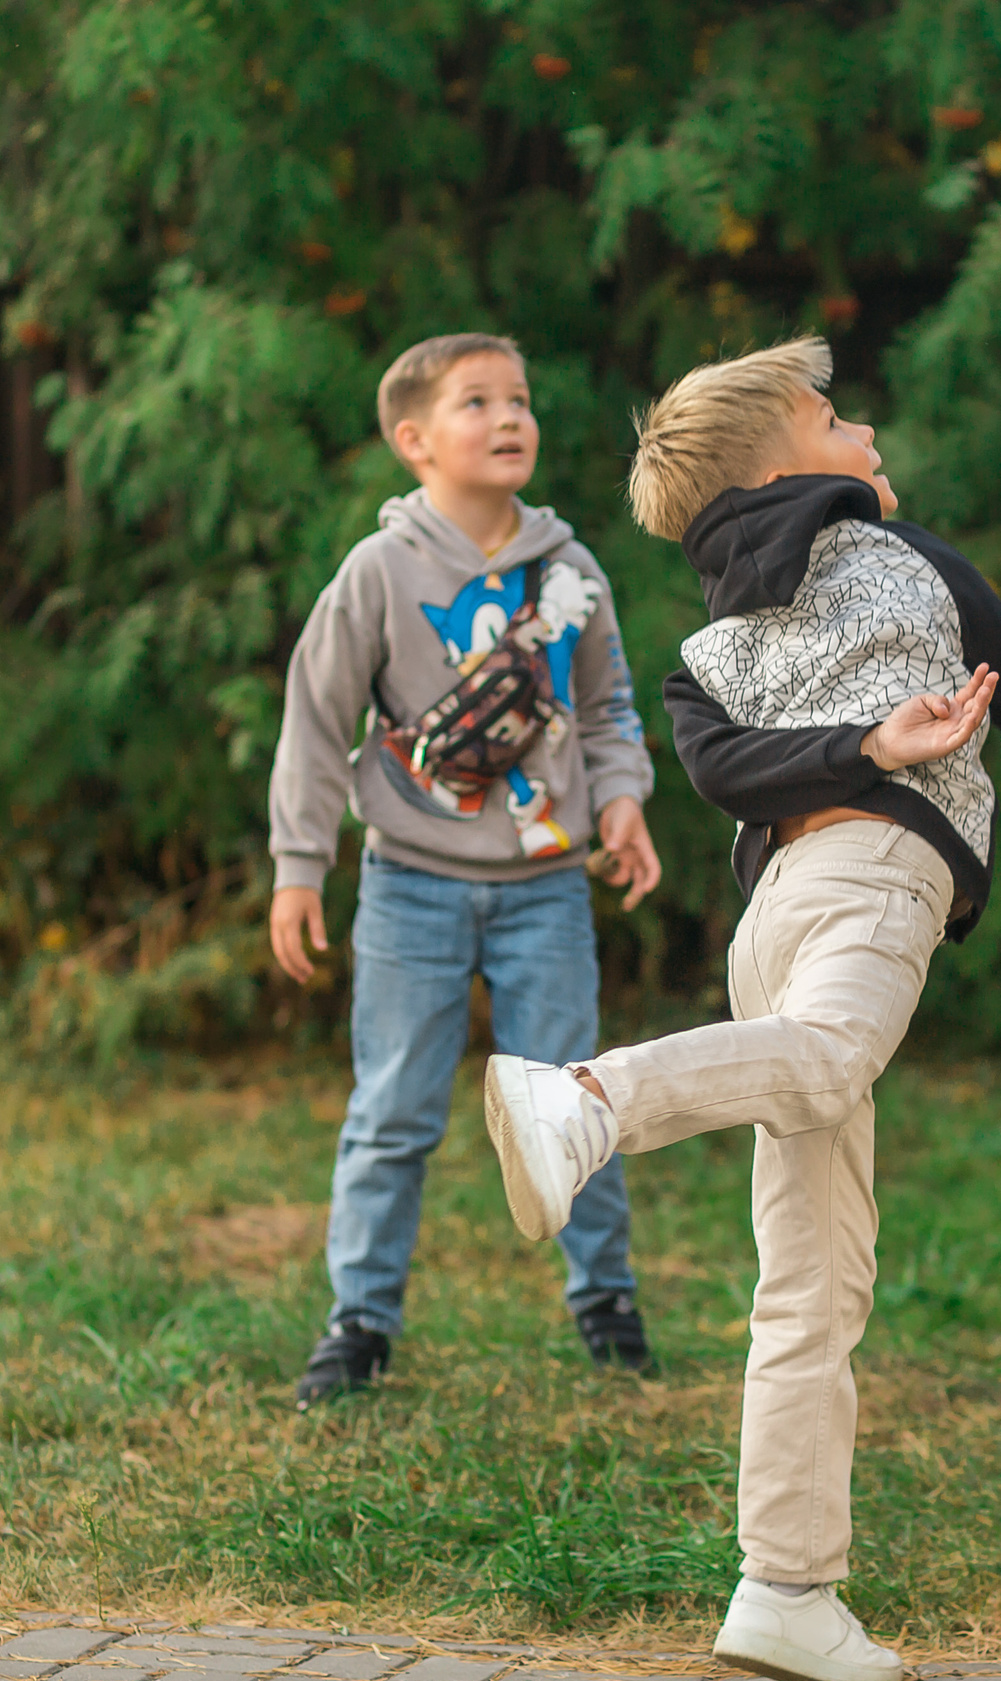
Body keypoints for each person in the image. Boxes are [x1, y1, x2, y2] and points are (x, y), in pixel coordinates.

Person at [480, 337, 1001, 1681]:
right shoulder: (918, 562)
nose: (865, 426)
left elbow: (722, 769)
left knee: (815, 1278)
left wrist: (849, 749)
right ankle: (588, 1100)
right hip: (869, 882)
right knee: (833, 1064)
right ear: (783, 463)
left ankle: (785, 1585)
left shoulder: (705, 648)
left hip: (769, 926)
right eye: (837, 416)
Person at [267, 333, 664, 1407]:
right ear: (413, 441)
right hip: (410, 883)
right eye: (476, 402)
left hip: (544, 886)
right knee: (394, 1109)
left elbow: (613, 710)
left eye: (520, 400)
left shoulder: (571, 576)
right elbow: (315, 718)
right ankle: (358, 1323)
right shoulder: (379, 572)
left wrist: (622, 802)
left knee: (576, 1101)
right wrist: (299, 866)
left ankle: (606, 1302)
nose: (508, 418)